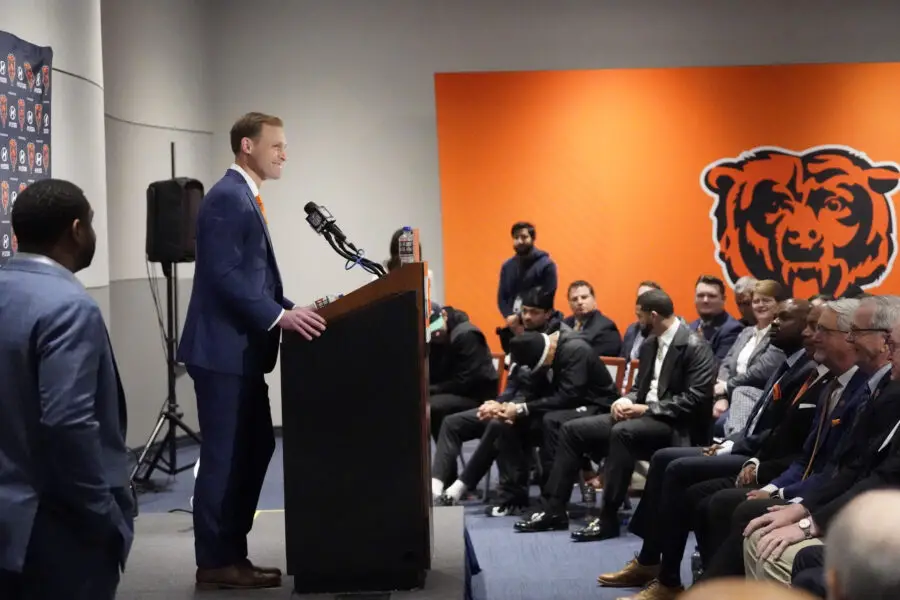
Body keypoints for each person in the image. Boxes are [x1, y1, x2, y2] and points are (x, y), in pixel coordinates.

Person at [178, 112, 326, 590]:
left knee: (255, 447)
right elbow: (222, 278)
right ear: (247, 145)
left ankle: (231, 554)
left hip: (240, 353)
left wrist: (287, 307)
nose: (284, 154)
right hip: (221, 353)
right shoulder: (226, 197)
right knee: (225, 457)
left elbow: (249, 280)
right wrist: (278, 317)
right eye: (276, 145)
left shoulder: (243, 196)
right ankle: (216, 561)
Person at [0, 179, 133, 600]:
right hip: (57, 529)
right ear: (77, 230)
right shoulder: (69, 306)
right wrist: (101, 515)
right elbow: (67, 422)